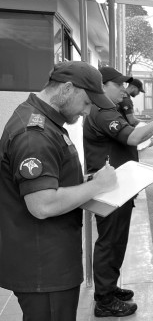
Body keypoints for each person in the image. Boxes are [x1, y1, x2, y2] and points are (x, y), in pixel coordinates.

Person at [0, 61, 118, 321]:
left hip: (49, 257)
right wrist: (97, 186)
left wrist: (88, 180)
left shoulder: (45, 122)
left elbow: (54, 178)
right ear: (67, 89)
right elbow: (42, 205)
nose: (88, 112)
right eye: (87, 103)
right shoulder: (35, 134)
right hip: (45, 264)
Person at [83, 66, 153, 317]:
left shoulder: (109, 110)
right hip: (110, 189)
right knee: (109, 242)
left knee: (116, 240)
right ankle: (104, 299)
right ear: (103, 86)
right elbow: (133, 138)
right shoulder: (102, 113)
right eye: (118, 84)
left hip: (118, 187)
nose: (124, 88)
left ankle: (109, 288)